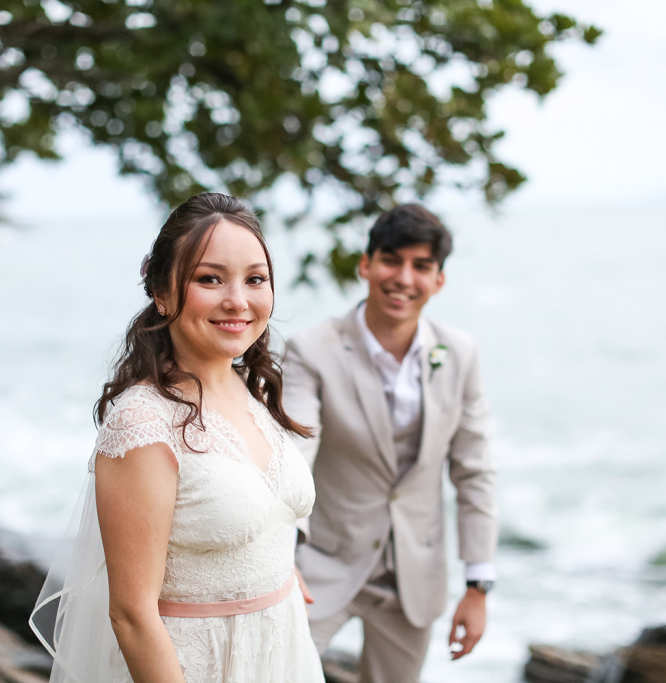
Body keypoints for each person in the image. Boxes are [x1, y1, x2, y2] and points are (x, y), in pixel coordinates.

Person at [30, 193, 325, 683]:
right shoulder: (142, 424)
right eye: (210, 278)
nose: (238, 299)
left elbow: (246, 515)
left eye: (255, 279)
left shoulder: (250, 388)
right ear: (162, 292)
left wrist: (276, 572)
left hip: (282, 653)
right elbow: (131, 614)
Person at [282, 204, 498, 683]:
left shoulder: (459, 354)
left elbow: (474, 470)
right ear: (366, 264)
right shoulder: (311, 349)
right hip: (320, 567)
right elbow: (295, 452)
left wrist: (477, 586)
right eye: (391, 260)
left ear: (439, 280)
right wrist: (282, 555)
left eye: (421, 266)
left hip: (413, 578)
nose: (404, 277)